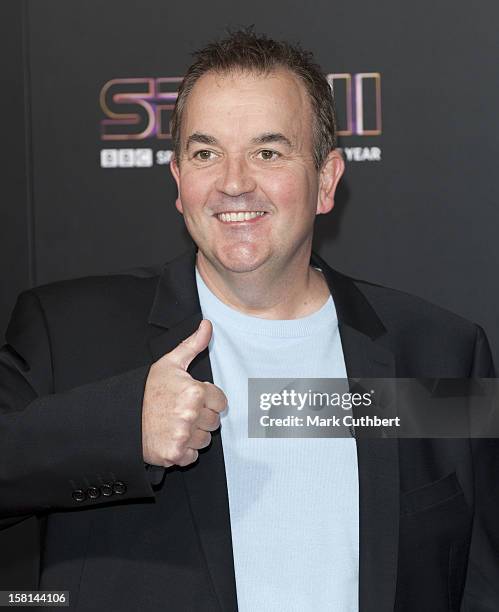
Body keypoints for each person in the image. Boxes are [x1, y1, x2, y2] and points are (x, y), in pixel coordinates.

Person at [1, 28, 498, 612]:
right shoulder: (71, 332)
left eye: (268, 151)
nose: (233, 182)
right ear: (179, 183)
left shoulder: (437, 352)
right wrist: (117, 428)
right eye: (206, 153)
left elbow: (476, 578)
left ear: (327, 180)